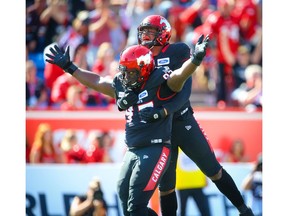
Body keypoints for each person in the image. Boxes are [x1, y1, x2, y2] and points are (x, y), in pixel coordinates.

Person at [45, 32, 209, 215]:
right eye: (124, 71)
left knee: (136, 206)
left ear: (145, 68)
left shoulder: (159, 81)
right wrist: (69, 67)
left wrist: (195, 60)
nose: (126, 76)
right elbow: (98, 81)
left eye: (131, 71)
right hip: (133, 149)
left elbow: (179, 76)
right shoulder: (122, 84)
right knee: (125, 200)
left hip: (155, 148)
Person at [120, 15, 254, 216]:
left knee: (213, 170)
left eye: (150, 31)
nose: (145, 36)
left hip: (182, 121)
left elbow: (183, 92)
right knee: (167, 186)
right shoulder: (140, 57)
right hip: (160, 129)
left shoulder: (178, 51)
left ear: (163, 34)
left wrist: (163, 111)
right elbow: (126, 86)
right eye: (143, 31)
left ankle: (244, 210)